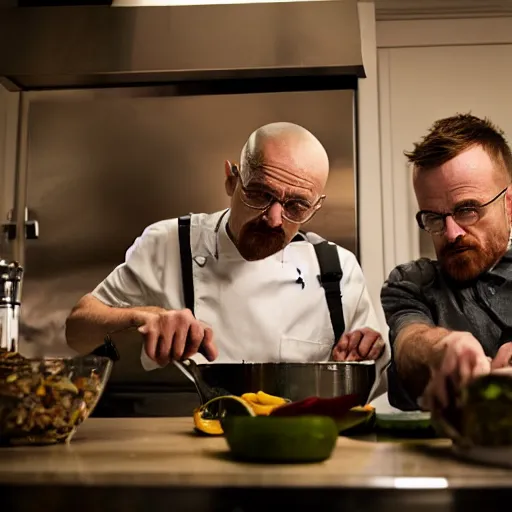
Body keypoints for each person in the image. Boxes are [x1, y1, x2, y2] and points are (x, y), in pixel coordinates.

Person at [66, 122, 390, 396]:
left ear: (315, 207)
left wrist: (352, 364)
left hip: (296, 452)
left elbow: (374, 383)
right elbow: (77, 330)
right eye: (261, 194)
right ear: (231, 179)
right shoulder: (167, 243)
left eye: (296, 206)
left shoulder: (337, 270)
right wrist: (143, 316)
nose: (275, 219)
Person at [381, 113, 512, 412]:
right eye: (434, 218)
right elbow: (409, 341)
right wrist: (440, 350)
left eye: (467, 210)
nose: (451, 233)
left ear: (509, 205)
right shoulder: (411, 282)